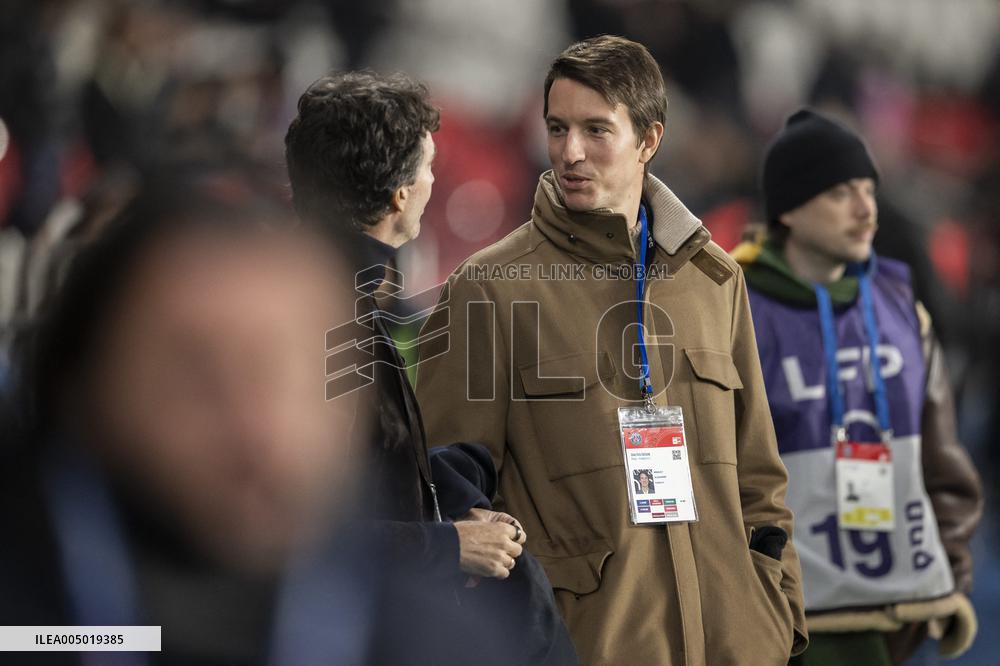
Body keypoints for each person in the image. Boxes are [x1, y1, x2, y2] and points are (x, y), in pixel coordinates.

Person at [414, 36, 807, 664]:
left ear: (649, 139)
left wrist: (778, 614)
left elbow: (760, 478)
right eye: (557, 128)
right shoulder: (488, 288)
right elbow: (443, 487)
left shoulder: (715, 279)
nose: (571, 152)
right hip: (586, 646)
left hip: (738, 644)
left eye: (597, 130)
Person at [284, 70, 576, 664]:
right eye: (428, 167)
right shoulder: (325, 321)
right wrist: (450, 546)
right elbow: (294, 533)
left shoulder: (335, 299)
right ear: (398, 194)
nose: (434, 181)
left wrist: (453, 479)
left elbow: (367, 470)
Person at [732, 108, 984, 665]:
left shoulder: (899, 306)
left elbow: (942, 461)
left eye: (869, 189)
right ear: (791, 209)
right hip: (777, 625)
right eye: (842, 192)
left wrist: (950, 576)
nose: (867, 209)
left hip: (893, 617)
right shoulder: (731, 311)